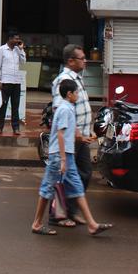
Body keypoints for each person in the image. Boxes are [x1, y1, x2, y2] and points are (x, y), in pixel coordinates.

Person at [31, 79, 113, 237]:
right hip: (58, 156)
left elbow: (71, 131)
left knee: (77, 188)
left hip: (67, 156)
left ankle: (92, 225)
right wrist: (62, 160)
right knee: (47, 189)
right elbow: (60, 135)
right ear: (69, 94)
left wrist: (83, 138)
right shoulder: (64, 110)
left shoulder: (69, 108)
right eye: (76, 93)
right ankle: (37, 223)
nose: (78, 95)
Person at [50, 44, 93, 226]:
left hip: (81, 137)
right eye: (82, 58)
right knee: (66, 177)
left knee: (84, 174)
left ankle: (72, 210)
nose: (85, 61)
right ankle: (58, 215)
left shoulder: (77, 78)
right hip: (71, 140)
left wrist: (87, 130)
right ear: (71, 61)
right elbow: (63, 112)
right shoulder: (64, 81)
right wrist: (76, 133)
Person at [0, 31, 26, 136]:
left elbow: (23, 62)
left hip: (16, 82)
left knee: (15, 106)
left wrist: (21, 50)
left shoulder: (18, 50)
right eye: (16, 39)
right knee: (3, 106)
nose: (18, 41)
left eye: (18, 39)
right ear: (10, 39)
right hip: (5, 82)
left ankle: (16, 127)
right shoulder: (2, 50)